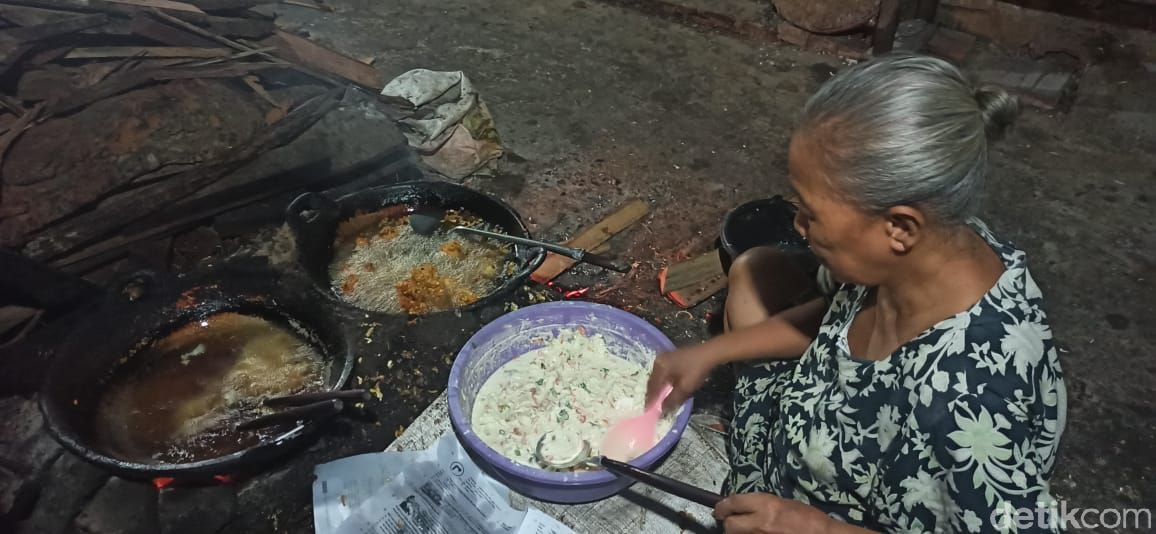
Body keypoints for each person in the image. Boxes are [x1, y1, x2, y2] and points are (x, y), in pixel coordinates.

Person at [646, 53, 1067, 533]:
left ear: (900, 227)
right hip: (820, 419)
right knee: (754, 269)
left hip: (851, 513)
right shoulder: (937, 242)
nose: (799, 229)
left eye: (811, 214)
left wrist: (816, 528)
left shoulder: (971, 394)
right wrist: (710, 353)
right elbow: (837, 322)